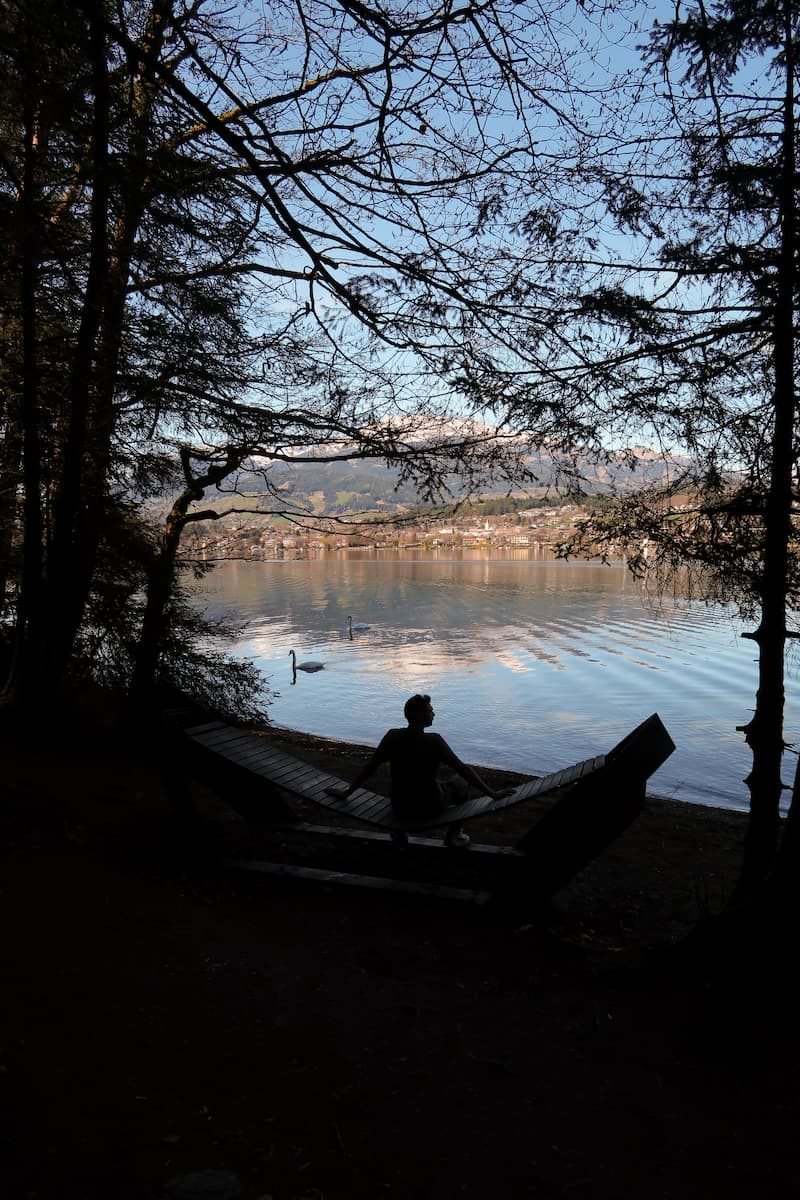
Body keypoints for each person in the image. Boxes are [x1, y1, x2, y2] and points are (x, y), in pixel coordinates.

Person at [328, 694, 511, 848]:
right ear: (421, 715)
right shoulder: (434, 740)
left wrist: (347, 793)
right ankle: (453, 836)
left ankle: (398, 833)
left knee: (430, 783)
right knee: (461, 782)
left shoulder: (393, 736)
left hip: (400, 806)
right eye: (430, 711)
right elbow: (463, 769)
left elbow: (370, 768)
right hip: (429, 806)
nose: (433, 713)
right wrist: (492, 794)